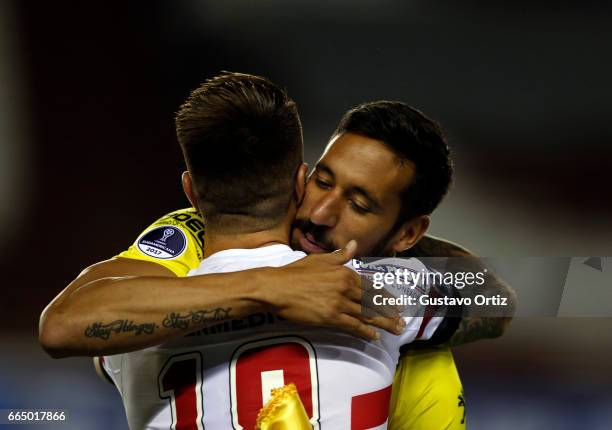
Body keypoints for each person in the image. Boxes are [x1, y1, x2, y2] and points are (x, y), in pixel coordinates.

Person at [39, 73, 516, 429]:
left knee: (428, 356)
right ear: (299, 178)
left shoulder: (155, 304)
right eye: (322, 182)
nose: (323, 213)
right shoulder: (384, 292)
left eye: (360, 204)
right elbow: (63, 326)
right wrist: (270, 288)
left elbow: (83, 333)